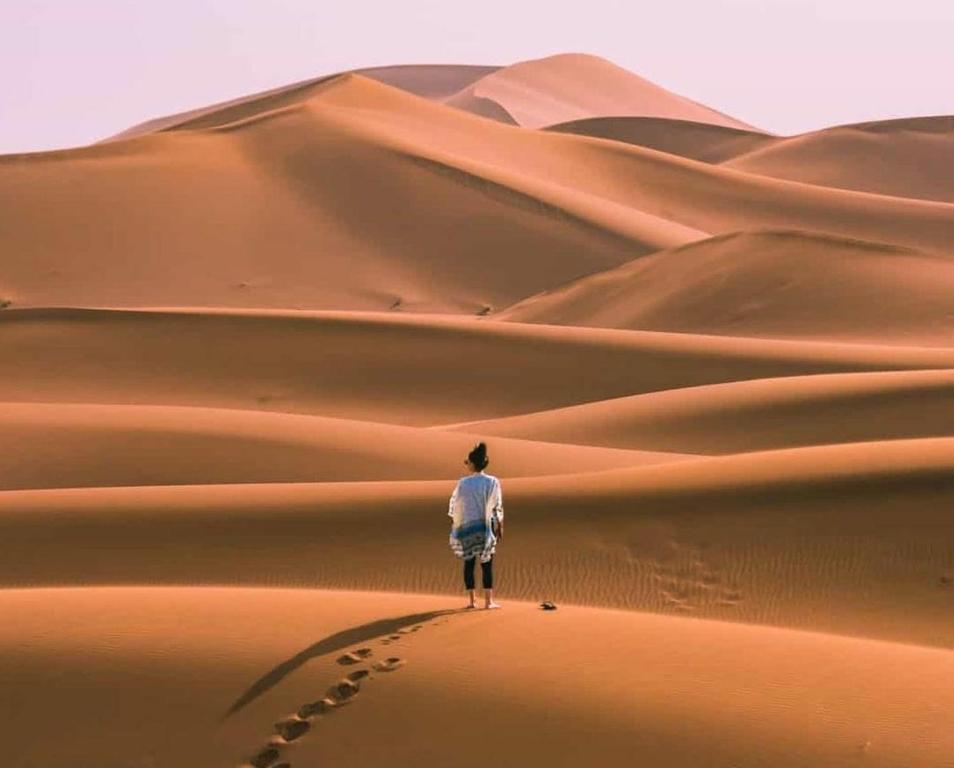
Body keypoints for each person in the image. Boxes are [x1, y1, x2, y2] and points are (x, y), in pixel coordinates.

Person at [448, 442, 504, 609]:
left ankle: (472, 601)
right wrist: (500, 524)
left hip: (468, 527)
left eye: (468, 462)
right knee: (487, 564)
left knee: (469, 564)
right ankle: (488, 602)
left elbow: (457, 505)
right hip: (485, 527)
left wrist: (457, 525)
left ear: (473, 464)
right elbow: (497, 505)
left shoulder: (463, 483)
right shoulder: (492, 482)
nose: (467, 465)